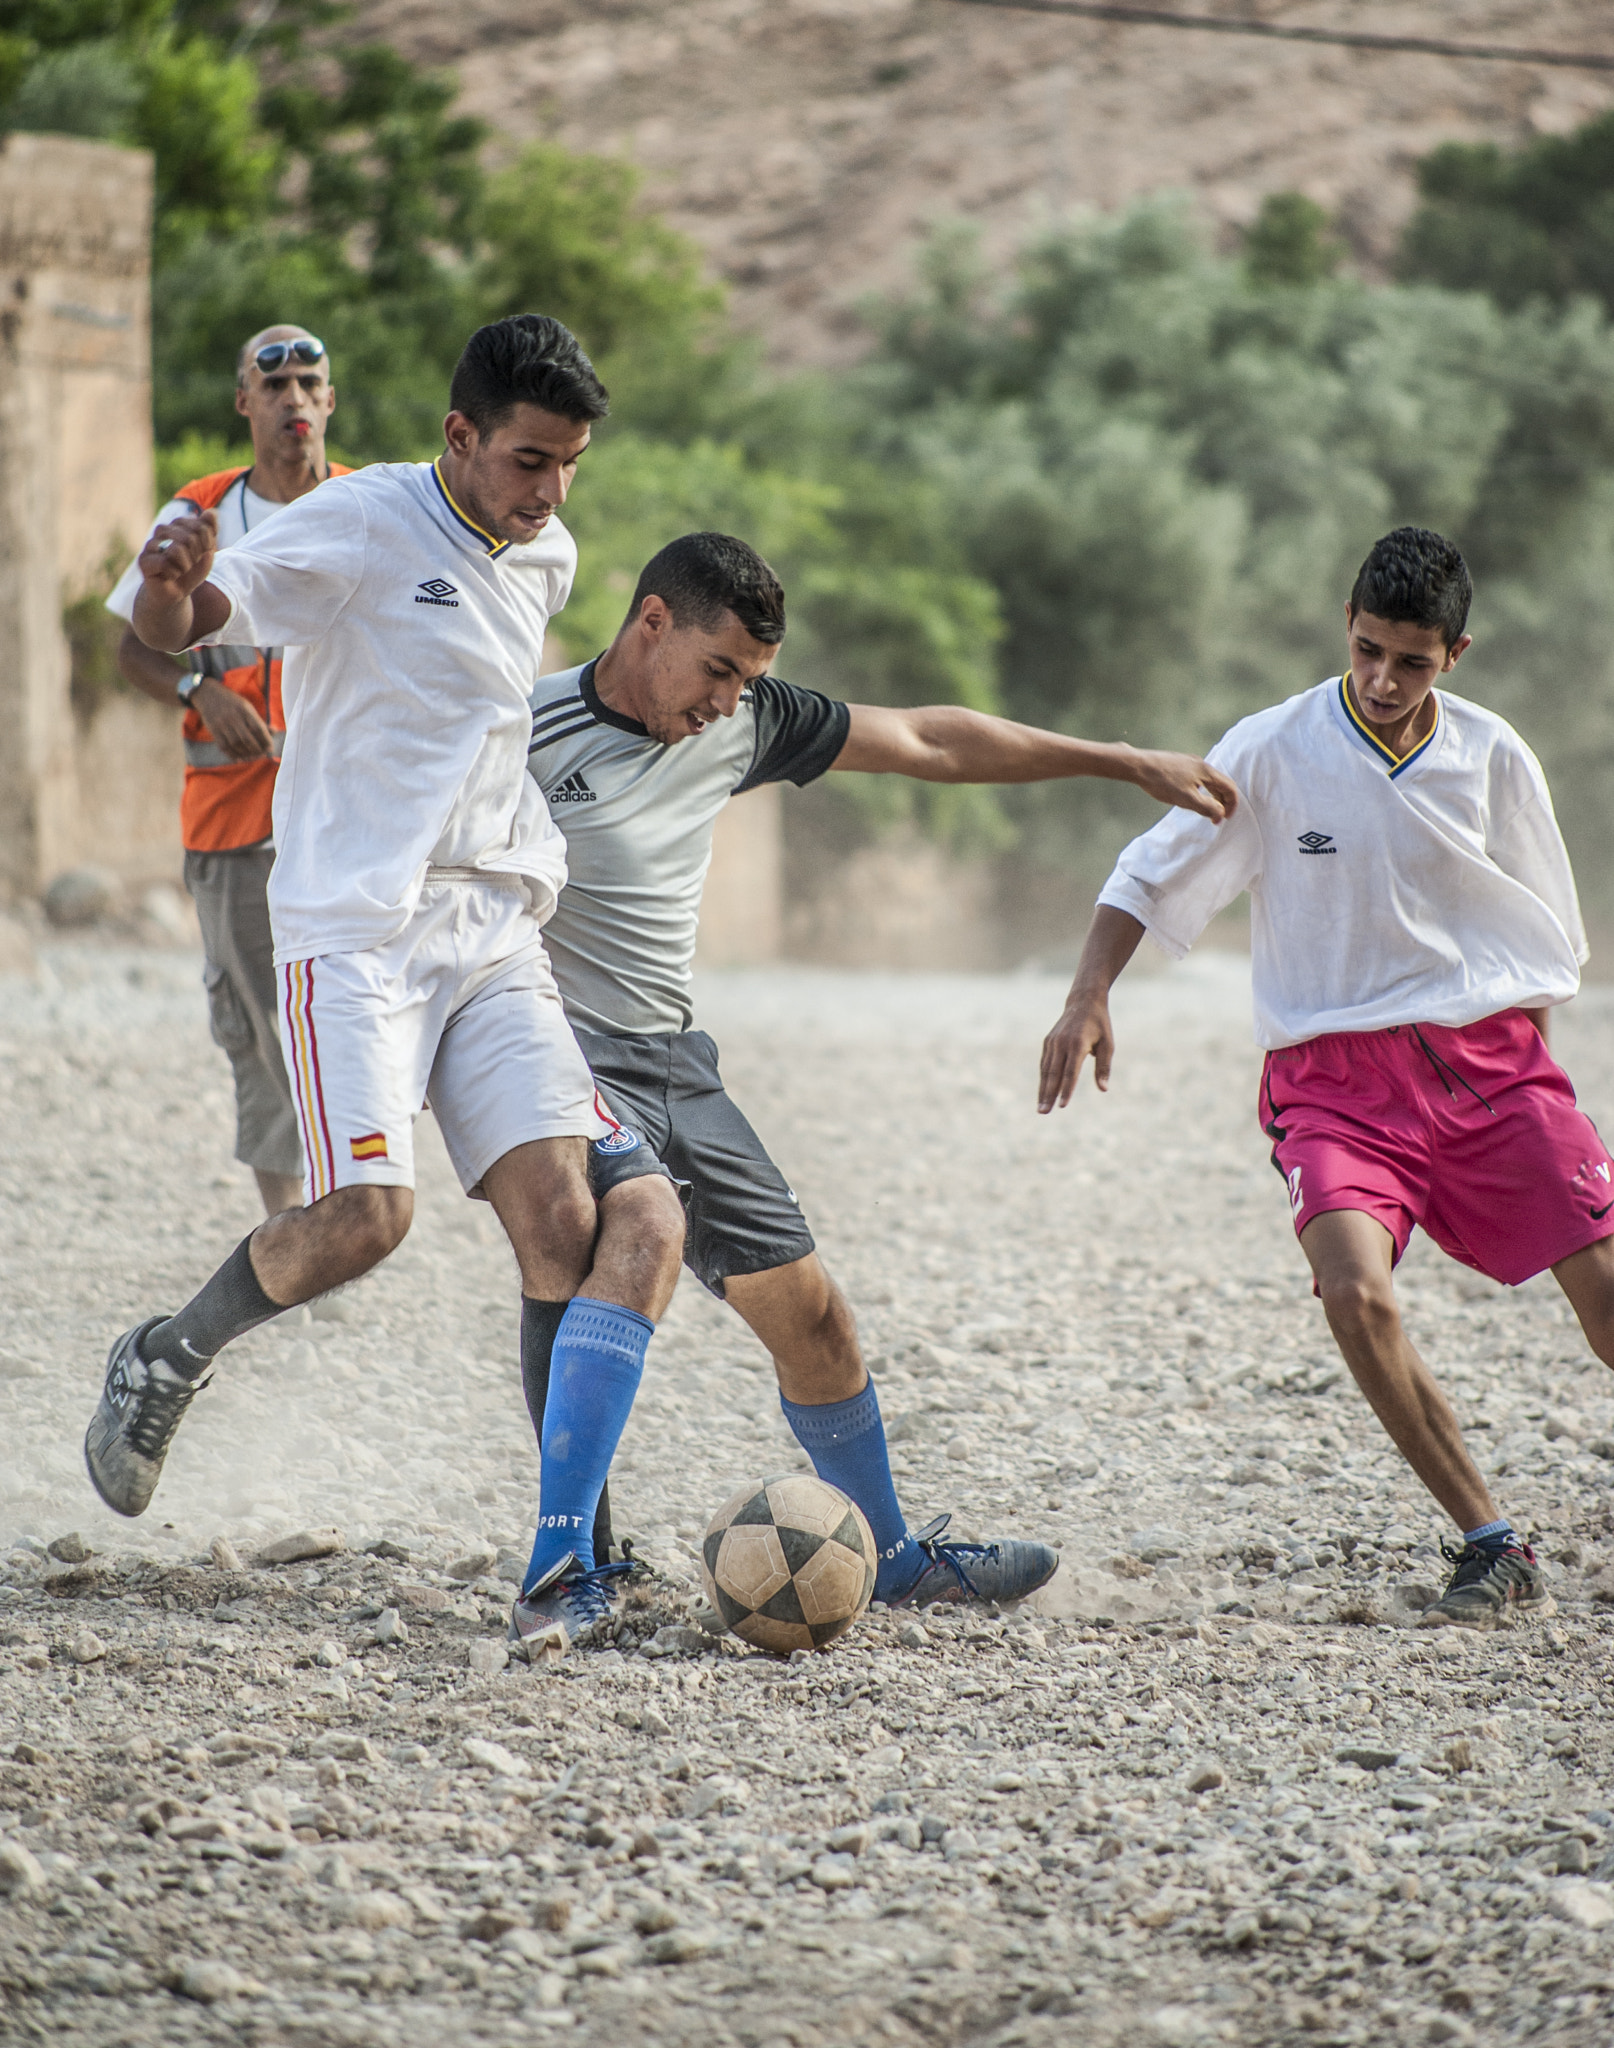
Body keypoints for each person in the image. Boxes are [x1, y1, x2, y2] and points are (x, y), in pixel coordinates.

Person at [511, 528, 1241, 1644]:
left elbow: (926, 741)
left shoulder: (744, 722)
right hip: (557, 1049)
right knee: (637, 1237)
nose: (730, 701)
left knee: (814, 1316)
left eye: (749, 680)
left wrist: (1118, 757)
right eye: (718, 669)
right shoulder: (521, 725)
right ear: (650, 621)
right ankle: (564, 1567)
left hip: (674, 1057)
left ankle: (894, 1558)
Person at [85, 320, 661, 1630]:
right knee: (365, 1222)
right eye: (527, 459)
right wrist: (173, 588)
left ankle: (574, 1562)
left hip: (495, 926)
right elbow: (198, 619)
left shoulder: (547, 550)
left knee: (563, 1229)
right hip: (352, 931)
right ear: (457, 437)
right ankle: (166, 1355)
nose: (549, 491)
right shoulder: (352, 526)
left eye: (568, 464)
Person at [1037, 525, 1614, 1631]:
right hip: (1333, 1081)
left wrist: (1527, 1070)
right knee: (1353, 1291)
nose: (1384, 680)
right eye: (1366, 651)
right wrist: (1086, 995)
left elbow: (1544, 931)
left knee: (1607, 1298)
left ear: (1457, 653)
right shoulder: (1269, 747)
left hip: (1490, 1063)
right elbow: (1147, 870)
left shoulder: (1495, 756)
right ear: (1344, 630)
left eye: (1412, 660)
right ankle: (1493, 1542)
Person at [106, 325, 351, 1218]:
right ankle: (291, 1230)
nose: (293, 396)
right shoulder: (198, 513)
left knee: (349, 1017)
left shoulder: (370, 508)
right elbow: (129, 645)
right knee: (257, 1024)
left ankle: (354, 1202)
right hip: (232, 821)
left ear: (330, 400)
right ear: (243, 402)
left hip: (348, 819)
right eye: (273, 381)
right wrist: (196, 689)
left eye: (308, 382)